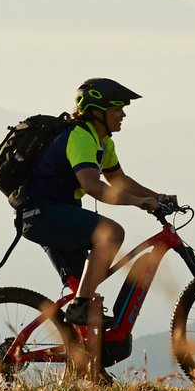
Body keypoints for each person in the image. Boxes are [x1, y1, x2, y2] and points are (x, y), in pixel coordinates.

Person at [17, 78, 175, 327]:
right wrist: (138, 202)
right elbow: (93, 186)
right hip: (42, 215)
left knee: (92, 301)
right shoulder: (79, 138)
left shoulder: (103, 141)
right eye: (117, 109)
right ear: (96, 112)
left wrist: (157, 197)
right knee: (111, 234)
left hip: (59, 214)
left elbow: (118, 180)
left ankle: (85, 355)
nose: (123, 114)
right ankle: (79, 308)